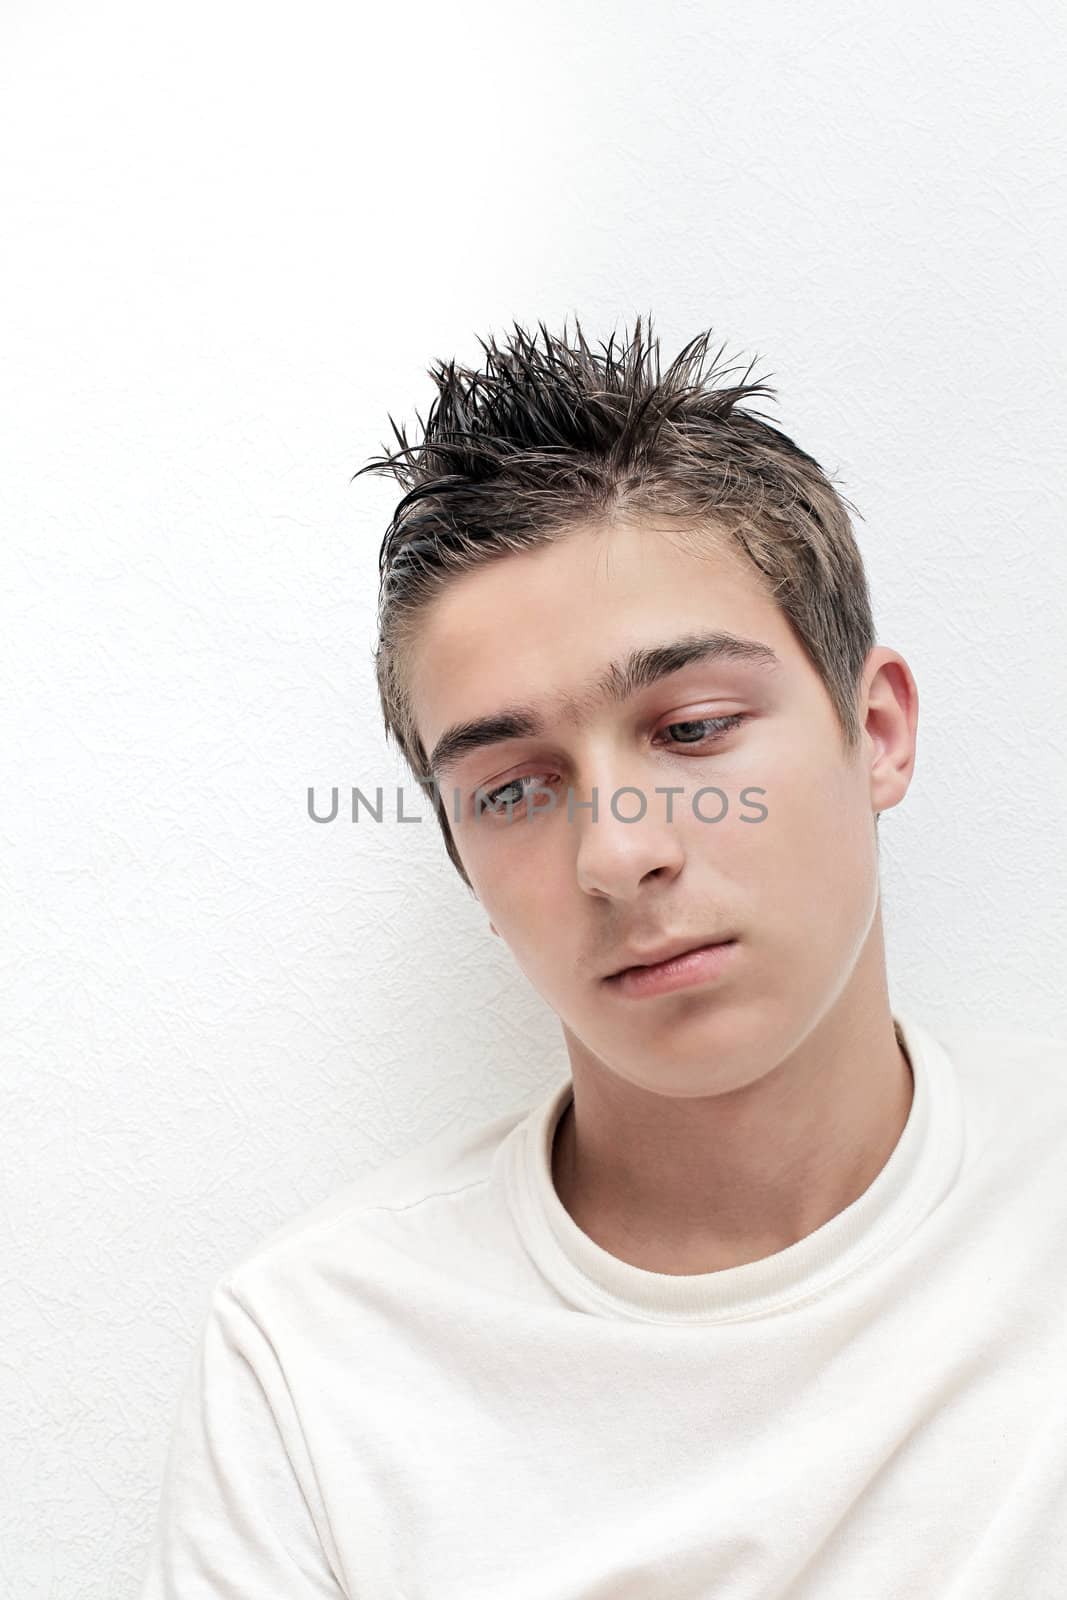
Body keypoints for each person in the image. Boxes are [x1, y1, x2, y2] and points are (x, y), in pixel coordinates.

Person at [140, 317, 1067, 1597]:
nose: (617, 851)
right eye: (513, 789)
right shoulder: (314, 1358)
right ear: (463, 859)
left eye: (690, 727)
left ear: (877, 731)